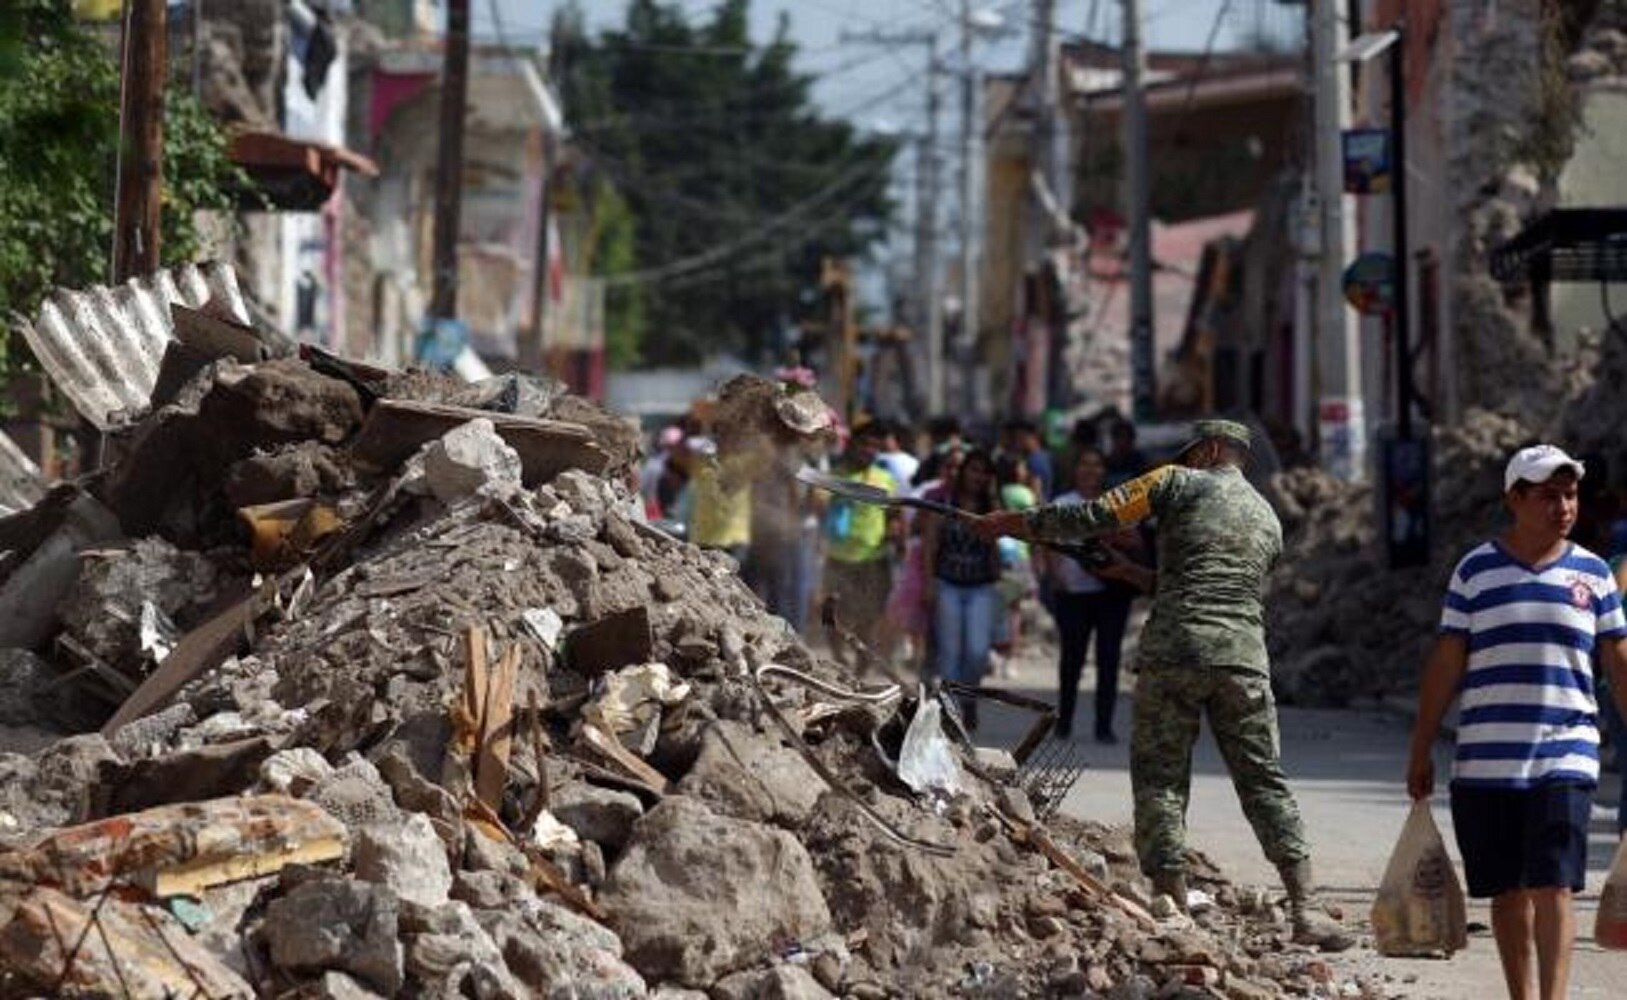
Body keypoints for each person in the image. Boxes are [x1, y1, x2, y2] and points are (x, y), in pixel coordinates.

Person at [971, 418, 1353, 950]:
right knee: (1264, 781)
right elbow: (1214, 583)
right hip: (1243, 659)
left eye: (1191, 453)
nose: (1187, 460)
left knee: (1161, 780)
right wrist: (1132, 575)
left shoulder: (1174, 480)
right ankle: (1305, 909)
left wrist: (1011, 523)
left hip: (1175, 652)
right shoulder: (1267, 516)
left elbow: (1093, 515)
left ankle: (1172, 904)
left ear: (1210, 450)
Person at [1407, 445, 1627, 1000]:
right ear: (1514, 499)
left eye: (1570, 495)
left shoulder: (1595, 575)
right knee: (1505, 891)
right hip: (1486, 761)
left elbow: (1619, 663)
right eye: (1549, 496)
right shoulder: (1475, 572)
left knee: (1555, 885)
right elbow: (1447, 661)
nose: (1564, 507)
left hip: (1566, 754)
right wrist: (1421, 746)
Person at [1040, 447, 1148, 743]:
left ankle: (1104, 726)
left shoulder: (1118, 503)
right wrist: (1057, 576)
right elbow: (1048, 540)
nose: (1090, 470)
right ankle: (1063, 722)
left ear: (1104, 470)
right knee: (1071, 659)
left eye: (1097, 465)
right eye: (1085, 464)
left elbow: (1137, 542)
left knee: (1108, 659)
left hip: (1111, 592)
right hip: (1073, 593)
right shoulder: (1063, 504)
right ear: (1075, 470)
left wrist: (1115, 538)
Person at [922, 449, 1002, 727]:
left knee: (978, 651)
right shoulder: (944, 503)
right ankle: (951, 712)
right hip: (948, 584)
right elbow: (930, 544)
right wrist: (929, 582)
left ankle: (969, 697)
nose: (978, 476)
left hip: (981, 586)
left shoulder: (992, 507)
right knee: (950, 652)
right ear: (963, 472)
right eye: (973, 469)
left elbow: (997, 547)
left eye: (984, 472)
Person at [822, 421, 901, 658]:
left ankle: (863, 663)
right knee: (834, 613)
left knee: (871, 615)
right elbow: (816, 505)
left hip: (874, 558)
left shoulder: (885, 478)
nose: (869, 450)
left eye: (875, 446)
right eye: (864, 444)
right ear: (853, 445)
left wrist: (896, 532)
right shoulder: (835, 475)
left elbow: (895, 515)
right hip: (838, 557)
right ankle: (837, 658)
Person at [1104, 417, 1149, 488]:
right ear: (1113, 439)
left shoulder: (1141, 462)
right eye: (1119, 437)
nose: (1122, 442)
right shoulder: (1105, 462)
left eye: (1125, 438)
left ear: (1132, 440)